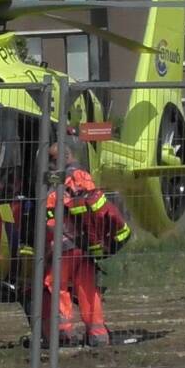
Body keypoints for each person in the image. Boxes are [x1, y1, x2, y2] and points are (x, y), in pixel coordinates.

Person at [42, 141, 131, 347]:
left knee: (56, 285)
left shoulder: (57, 180)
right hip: (87, 246)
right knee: (87, 289)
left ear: (64, 157)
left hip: (64, 247)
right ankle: (97, 333)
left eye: (53, 161)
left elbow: (51, 215)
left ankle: (63, 333)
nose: (51, 166)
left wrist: (48, 245)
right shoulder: (85, 177)